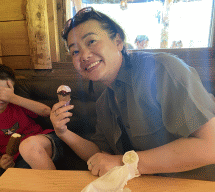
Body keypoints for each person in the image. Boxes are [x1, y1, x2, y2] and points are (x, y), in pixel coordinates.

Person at [50, 7, 215, 179]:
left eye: (91, 41)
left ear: (118, 41)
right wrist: (63, 132)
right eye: (75, 51)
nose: (83, 55)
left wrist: (125, 161)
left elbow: (210, 146)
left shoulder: (162, 70)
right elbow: (100, 155)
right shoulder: (104, 103)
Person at [0, 64, 64, 170]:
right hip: (20, 160)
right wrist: (1, 163)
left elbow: (47, 111)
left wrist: (13, 98)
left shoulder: (17, 105)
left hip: (47, 142)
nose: (1, 98)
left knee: (29, 146)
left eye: (5, 93)